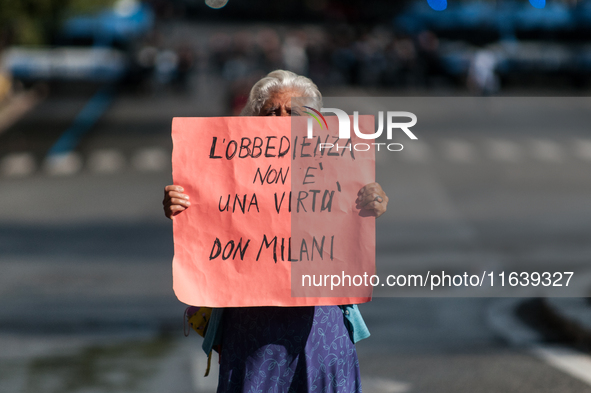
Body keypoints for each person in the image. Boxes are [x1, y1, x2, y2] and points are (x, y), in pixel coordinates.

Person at [163, 70, 388, 393]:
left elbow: (358, 215)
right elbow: (203, 217)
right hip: (251, 328)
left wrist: (374, 203)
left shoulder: (337, 161)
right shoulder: (225, 170)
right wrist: (179, 206)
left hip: (318, 323)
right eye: (272, 111)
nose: (282, 119)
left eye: (293, 112)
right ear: (253, 118)